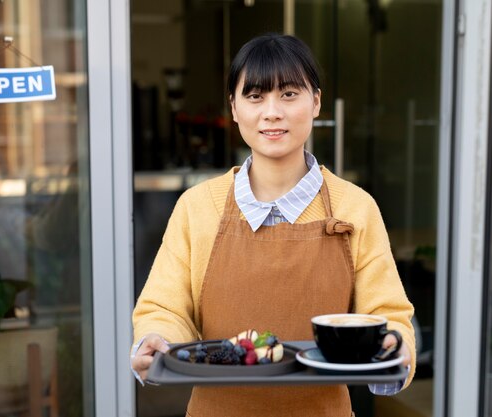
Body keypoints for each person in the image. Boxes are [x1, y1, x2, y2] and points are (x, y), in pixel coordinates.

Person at [131, 33, 416, 417]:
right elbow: (165, 307)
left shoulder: (356, 208)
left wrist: (393, 348)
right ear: (233, 107)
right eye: (254, 96)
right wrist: (156, 341)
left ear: (315, 102)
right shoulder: (197, 207)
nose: (272, 112)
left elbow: (388, 316)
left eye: (288, 94)